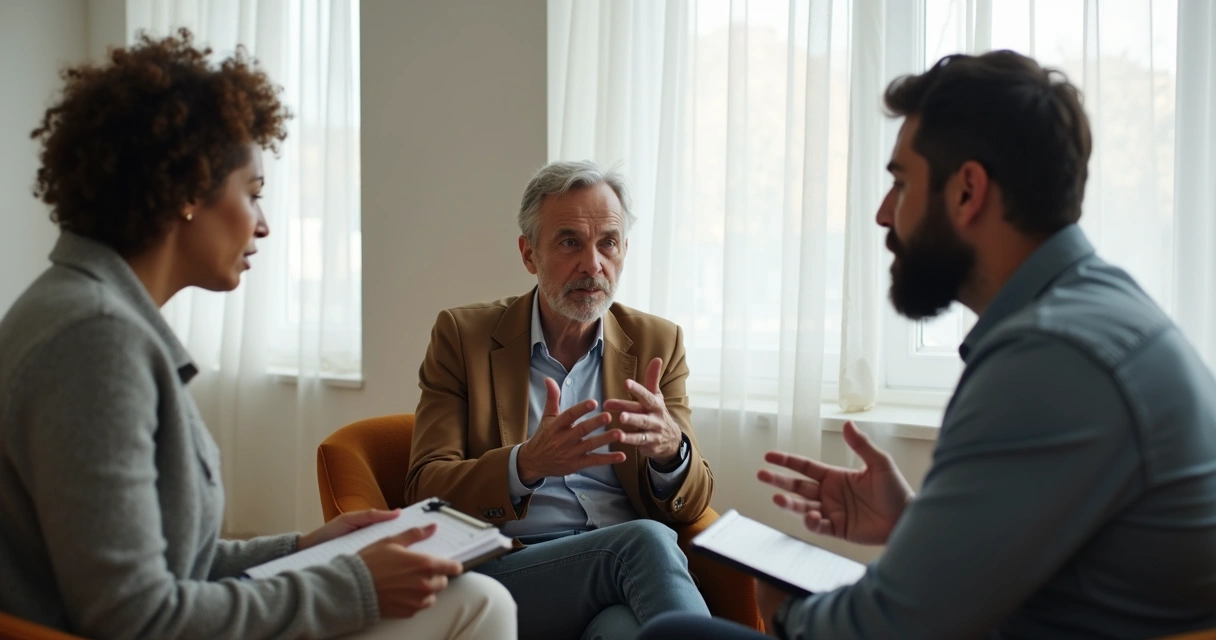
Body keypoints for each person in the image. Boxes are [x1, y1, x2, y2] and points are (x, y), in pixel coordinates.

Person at [638, 50, 1216, 640]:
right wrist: (916, 523)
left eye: (900, 182)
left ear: (968, 191)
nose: (883, 214)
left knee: (673, 635)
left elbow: (894, 629)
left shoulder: (1050, 358)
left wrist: (788, 609)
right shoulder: (1101, 312)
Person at [0, 30, 514, 640]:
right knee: (479, 603)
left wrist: (303, 546)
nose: (264, 226)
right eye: (253, 193)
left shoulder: (84, 309)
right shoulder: (96, 342)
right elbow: (134, 615)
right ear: (189, 190)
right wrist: (355, 585)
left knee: (471, 595)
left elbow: (167, 563)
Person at [406, 160, 714, 639]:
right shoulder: (464, 338)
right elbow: (425, 489)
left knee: (625, 632)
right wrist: (525, 464)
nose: (593, 264)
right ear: (529, 254)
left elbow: (693, 501)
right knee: (643, 542)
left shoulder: (658, 341)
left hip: (619, 584)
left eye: (607, 242)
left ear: (624, 251)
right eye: (571, 242)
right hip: (510, 573)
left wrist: (671, 450)